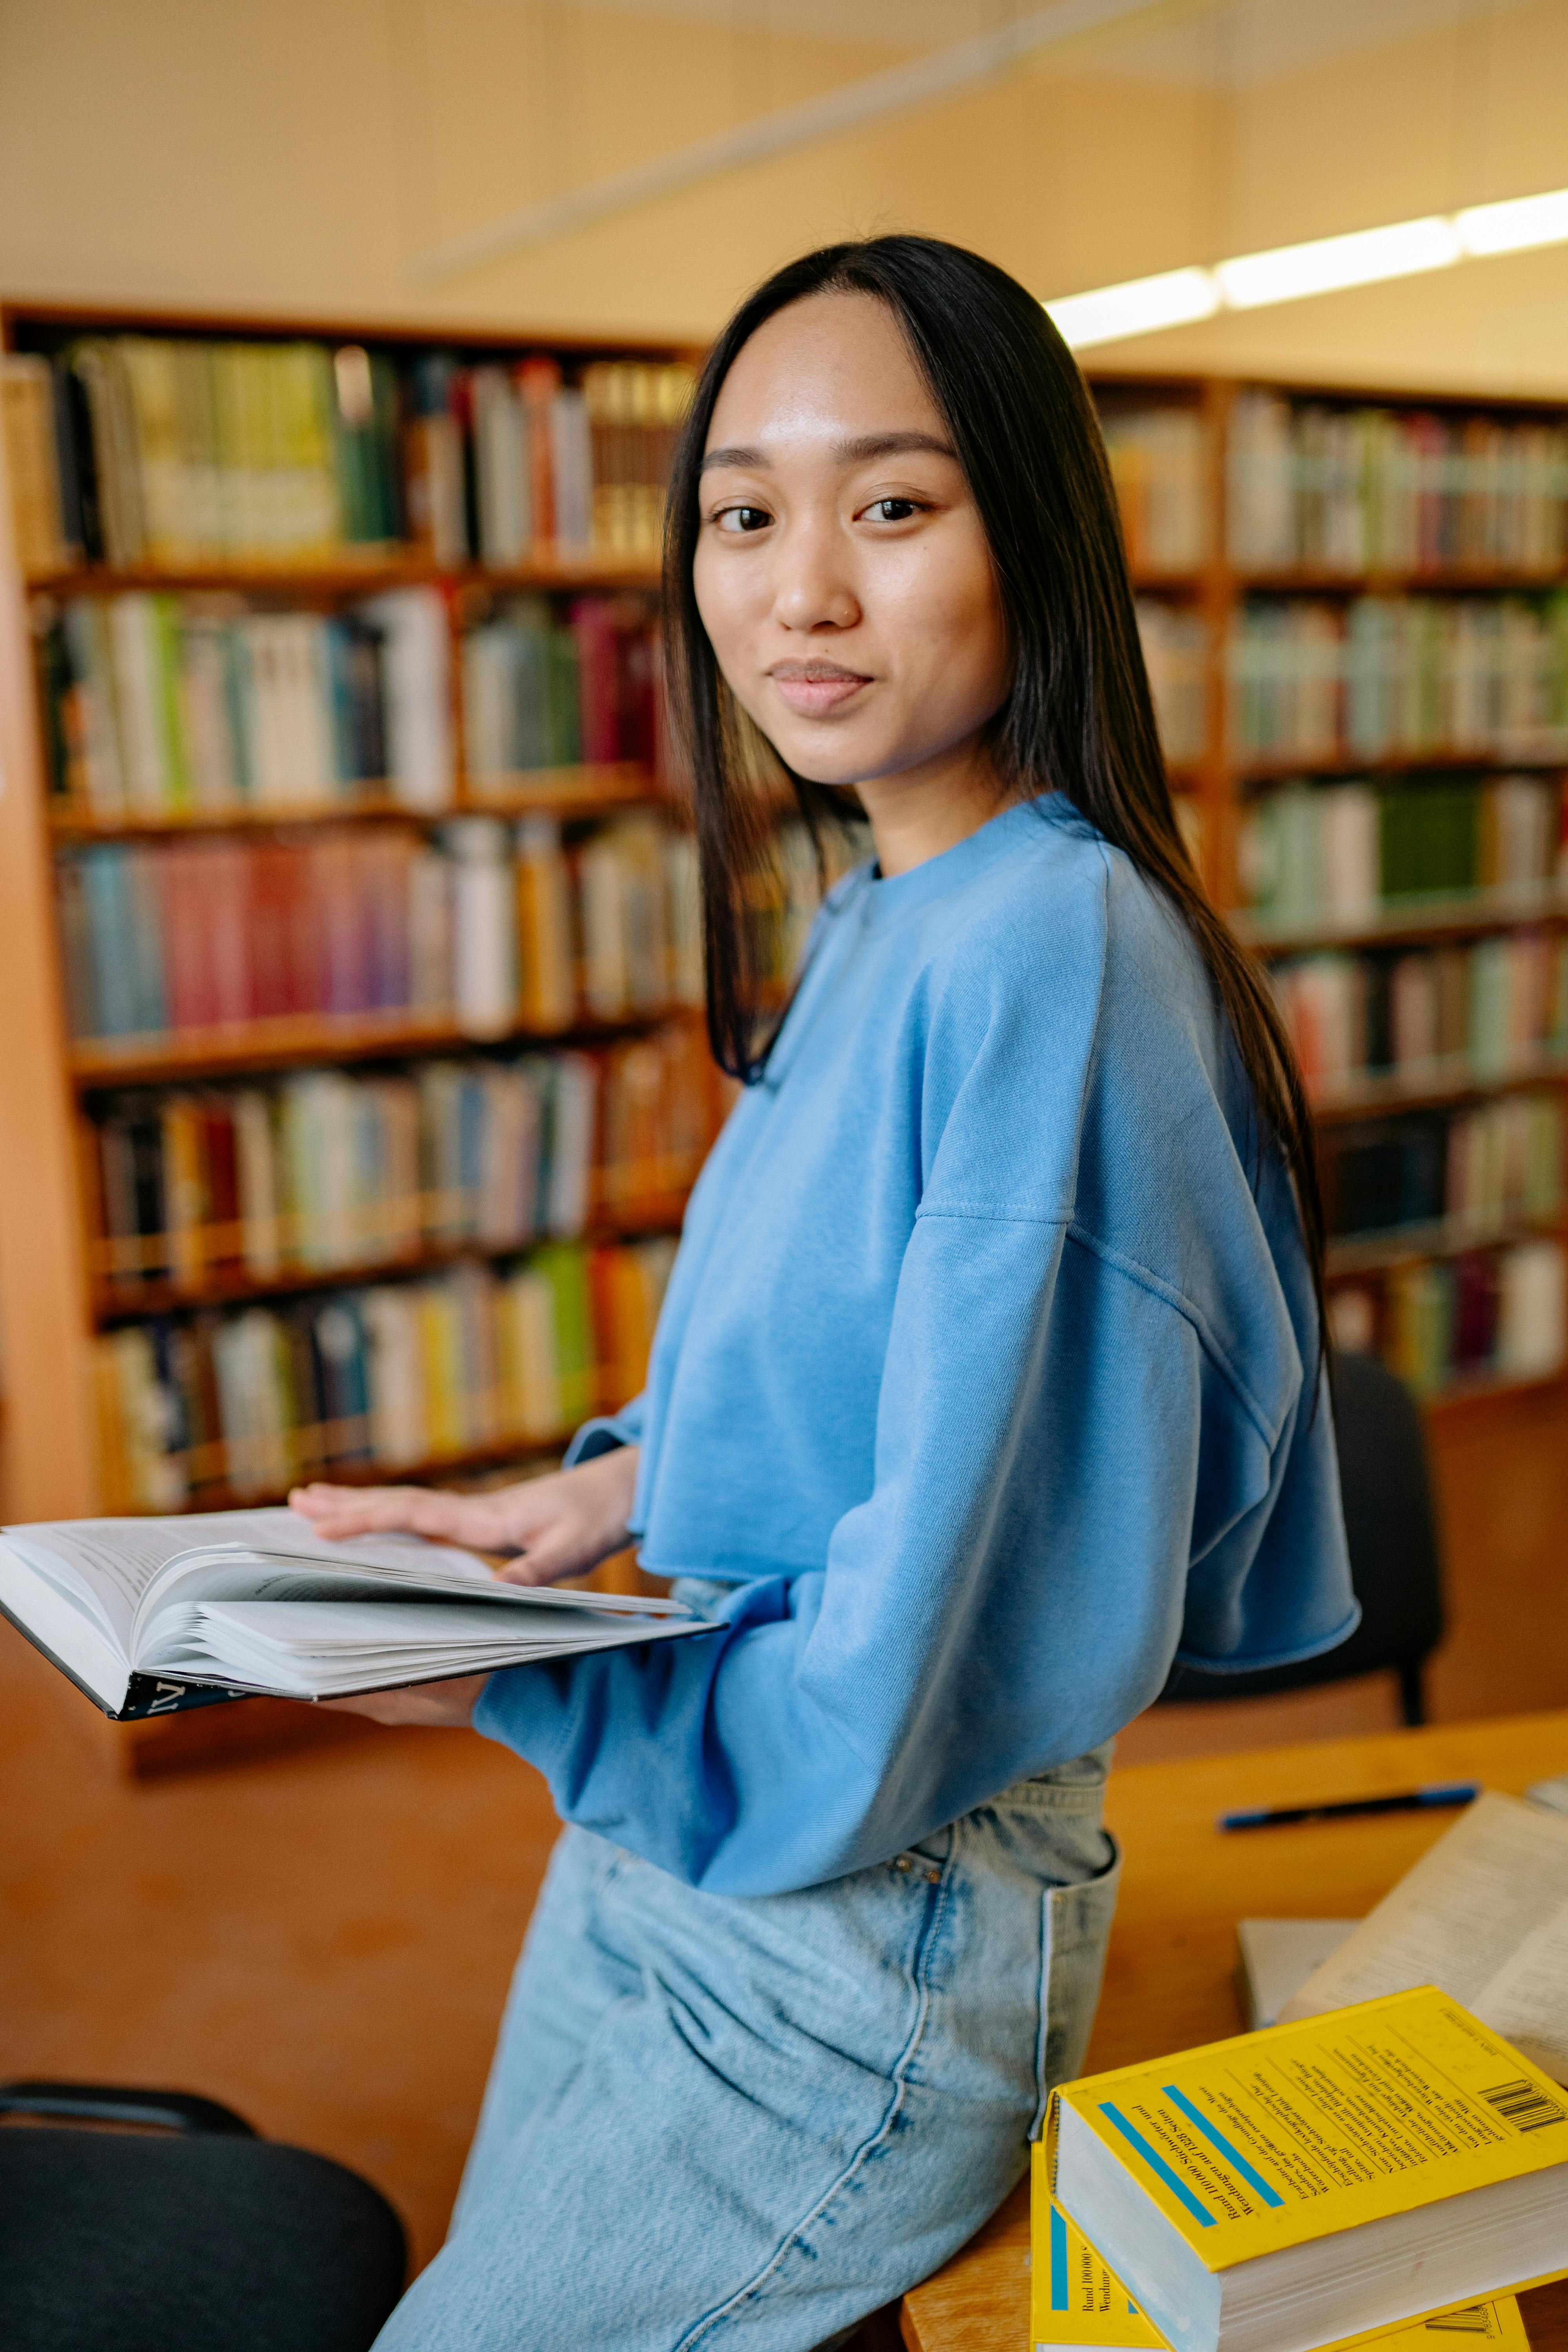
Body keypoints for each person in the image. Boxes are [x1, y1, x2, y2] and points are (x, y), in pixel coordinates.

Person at [291, 236, 1356, 2352]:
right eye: (743, 516)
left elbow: (923, 1644)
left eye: (891, 504)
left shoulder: (1051, 949)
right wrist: (588, 1506)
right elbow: (838, 1370)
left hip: (863, 1903)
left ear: (1033, 538)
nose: (801, 593)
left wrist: (514, 1681)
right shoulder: (891, 900)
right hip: (699, 1824)